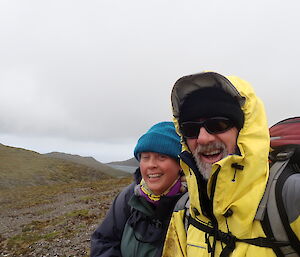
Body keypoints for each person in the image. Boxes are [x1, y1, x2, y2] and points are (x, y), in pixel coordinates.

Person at [162, 71, 300, 257]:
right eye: (191, 129)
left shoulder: (291, 197)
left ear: (244, 131)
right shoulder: (185, 211)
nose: (203, 139)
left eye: (218, 124)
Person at [90, 121, 187, 257]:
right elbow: (103, 241)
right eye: (145, 157)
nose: (151, 165)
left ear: (180, 164)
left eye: (162, 157)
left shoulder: (193, 205)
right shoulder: (129, 196)